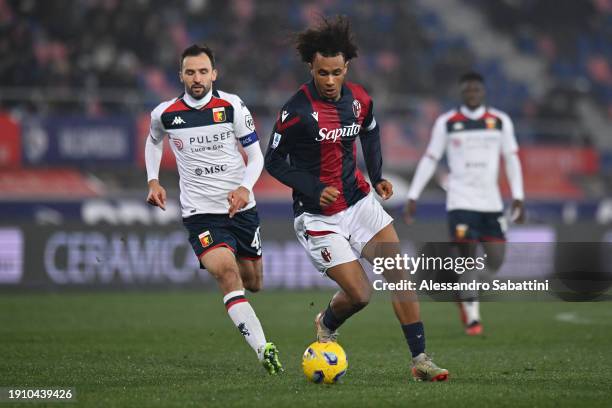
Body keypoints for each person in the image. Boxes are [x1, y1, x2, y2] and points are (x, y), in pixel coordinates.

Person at [264, 16, 448, 382]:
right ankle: (326, 322)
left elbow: (371, 132)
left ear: (346, 66)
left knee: (400, 277)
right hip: (317, 216)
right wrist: (313, 188)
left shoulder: (360, 99)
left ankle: (421, 360)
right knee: (360, 294)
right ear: (310, 69)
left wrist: (378, 175)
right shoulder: (296, 111)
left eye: (336, 72)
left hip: (359, 201)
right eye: (322, 73)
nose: (330, 81)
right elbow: (273, 162)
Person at [145, 44, 282, 374]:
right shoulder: (164, 113)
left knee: (255, 282)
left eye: (203, 71)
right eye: (190, 72)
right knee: (226, 272)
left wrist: (244, 188)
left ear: (214, 74)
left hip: (241, 208)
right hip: (200, 213)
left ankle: (234, 254)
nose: (197, 78)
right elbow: (153, 141)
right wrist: (153, 181)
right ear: (181, 75)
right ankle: (263, 348)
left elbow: (257, 156)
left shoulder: (232, 106)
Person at [404, 71, 525, 336]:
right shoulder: (447, 122)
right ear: (461, 92)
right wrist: (413, 194)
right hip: (460, 202)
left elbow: (512, 158)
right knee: (467, 260)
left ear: (483, 92)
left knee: (495, 262)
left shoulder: (499, 121)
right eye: (467, 89)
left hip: (491, 204)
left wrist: (518, 194)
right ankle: (473, 317)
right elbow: (430, 158)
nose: (472, 93)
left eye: (476, 89)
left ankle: (462, 289)